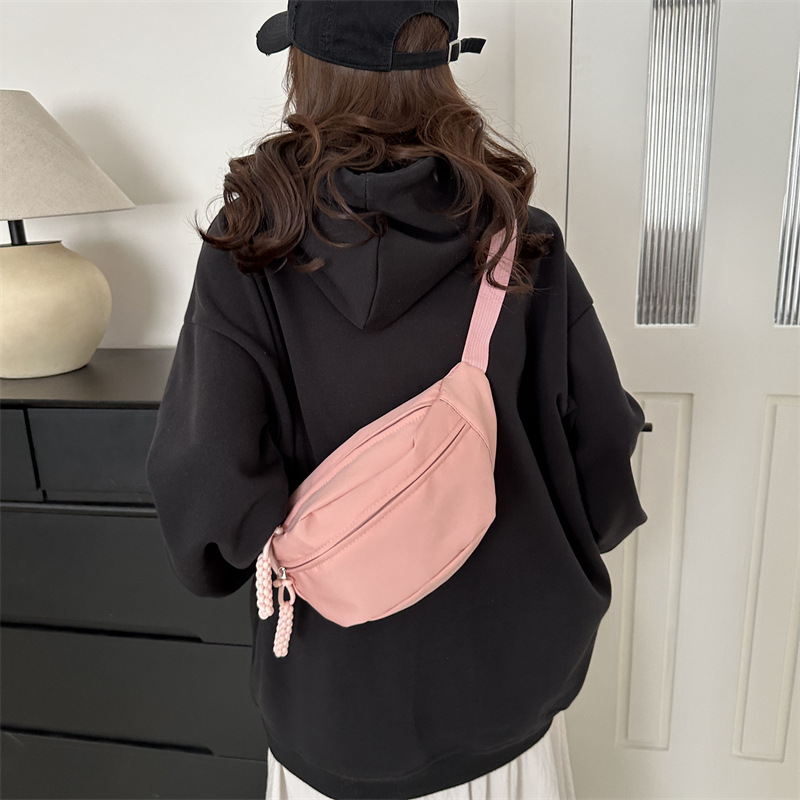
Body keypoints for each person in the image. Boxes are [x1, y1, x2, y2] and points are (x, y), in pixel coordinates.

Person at [145, 2, 649, 799]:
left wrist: (222, 560)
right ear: (442, 65)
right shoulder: (522, 241)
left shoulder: (253, 249)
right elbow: (603, 452)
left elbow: (211, 486)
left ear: (304, 69)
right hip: (507, 693)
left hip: (336, 708)